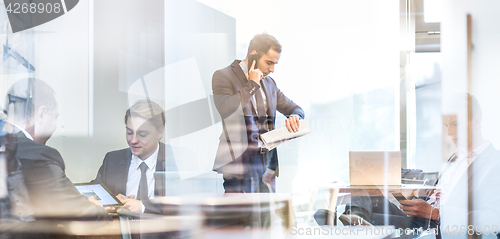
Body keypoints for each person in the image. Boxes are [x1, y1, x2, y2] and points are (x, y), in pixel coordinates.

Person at [327, 93, 500, 238]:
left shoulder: (494, 163)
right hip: (418, 216)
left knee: (363, 218)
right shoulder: (456, 157)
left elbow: (493, 221)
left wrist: (435, 213)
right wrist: (417, 198)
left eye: (456, 124)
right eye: (447, 126)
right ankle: (357, 220)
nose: (449, 133)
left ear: (476, 121)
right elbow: (440, 194)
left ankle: (355, 223)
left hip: (433, 226)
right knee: (364, 180)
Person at [4, 78, 110, 220]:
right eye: (55, 117)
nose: (55, 126)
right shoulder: (39, 156)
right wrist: (96, 208)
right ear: (41, 114)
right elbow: (81, 214)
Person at [212, 33, 305, 193]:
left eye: (275, 64)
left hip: (267, 165)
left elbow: (295, 109)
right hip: (239, 164)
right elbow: (227, 109)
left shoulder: (269, 83)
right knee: (241, 216)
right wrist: (252, 84)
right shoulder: (224, 76)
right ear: (253, 55)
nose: (272, 69)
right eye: (269, 63)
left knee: (265, 216)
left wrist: (295, 117)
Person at [93, 99, 177, 213]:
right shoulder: (113, 160)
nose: (133, 140)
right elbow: (94, 194)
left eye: (142, 134)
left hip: (164, 229)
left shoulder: (177, 160)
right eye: (129, 132)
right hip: (121, 229)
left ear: (160, 132)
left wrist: (143, 206)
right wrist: (111, 202)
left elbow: (187, 204)